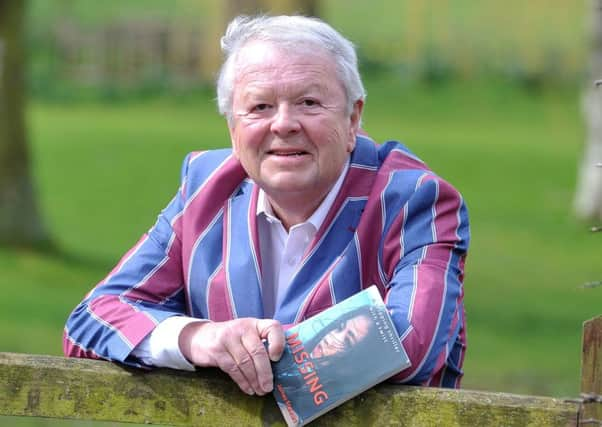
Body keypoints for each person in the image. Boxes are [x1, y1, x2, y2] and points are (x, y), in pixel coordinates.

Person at [63, 14, 470, 398]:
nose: (284, 124)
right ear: (233, 128)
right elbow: (93, 319)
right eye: (260, 107)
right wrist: (200, 339)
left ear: (353, 119)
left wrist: (250, 360)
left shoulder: (415, 200)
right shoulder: (205, 188)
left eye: (309, 103)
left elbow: (408, 340)